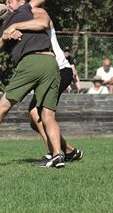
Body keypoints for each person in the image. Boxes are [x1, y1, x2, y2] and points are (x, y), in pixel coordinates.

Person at [0, 0, 65, 168]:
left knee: (2, 108)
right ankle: (58, 155)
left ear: (21, 3)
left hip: (30, 62)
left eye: (9, 1)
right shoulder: (11, 21)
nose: (7, 4)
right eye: (6, 4)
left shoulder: (23, 11)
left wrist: (13, 27)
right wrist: (6, 33)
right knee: (48, 115)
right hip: (50, 62)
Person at [29, 20, 83, 167]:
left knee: (40, 114)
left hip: (59, 70)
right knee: (35, 120)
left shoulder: (40, 19)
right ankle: (70, 151)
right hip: (49, 73)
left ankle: (54, 154)